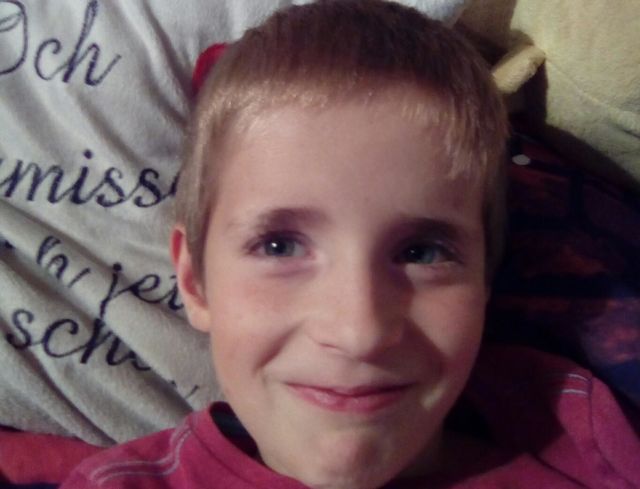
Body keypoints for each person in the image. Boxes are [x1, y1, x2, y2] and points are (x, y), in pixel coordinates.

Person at [61, 1, 640, 488]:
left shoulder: (589, 449)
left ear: (486, 274)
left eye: (423, 252)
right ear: (194, 281)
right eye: (279, 246)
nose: (359, 330)